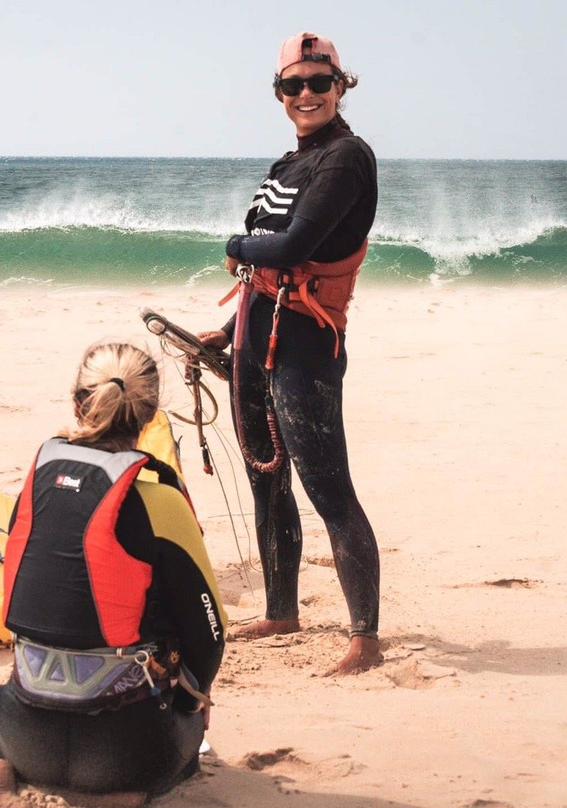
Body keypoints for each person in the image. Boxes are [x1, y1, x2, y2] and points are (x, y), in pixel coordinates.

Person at [0, 343, 226, 808]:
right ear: (151, 413)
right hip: (130, 750)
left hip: (27, 737)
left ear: (78, 403)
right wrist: (193, 700)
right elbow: (209, 635)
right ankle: (124, 795)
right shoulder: (161, 502)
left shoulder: (36, 484)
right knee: (188, 746)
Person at [196, 31, 382, 675]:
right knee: (265, 475)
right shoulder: (286, 164)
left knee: (329, 487)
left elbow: (290, 247)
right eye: (292, 85)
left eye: (318, 82)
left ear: (340, 85)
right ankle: (282, 611)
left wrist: (234, 245)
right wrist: (228, 331)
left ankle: (364, 637)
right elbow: (262, 267)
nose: (306, 94)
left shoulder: (347, 159)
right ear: (279, 94)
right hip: (258, 332)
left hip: (305, 343)